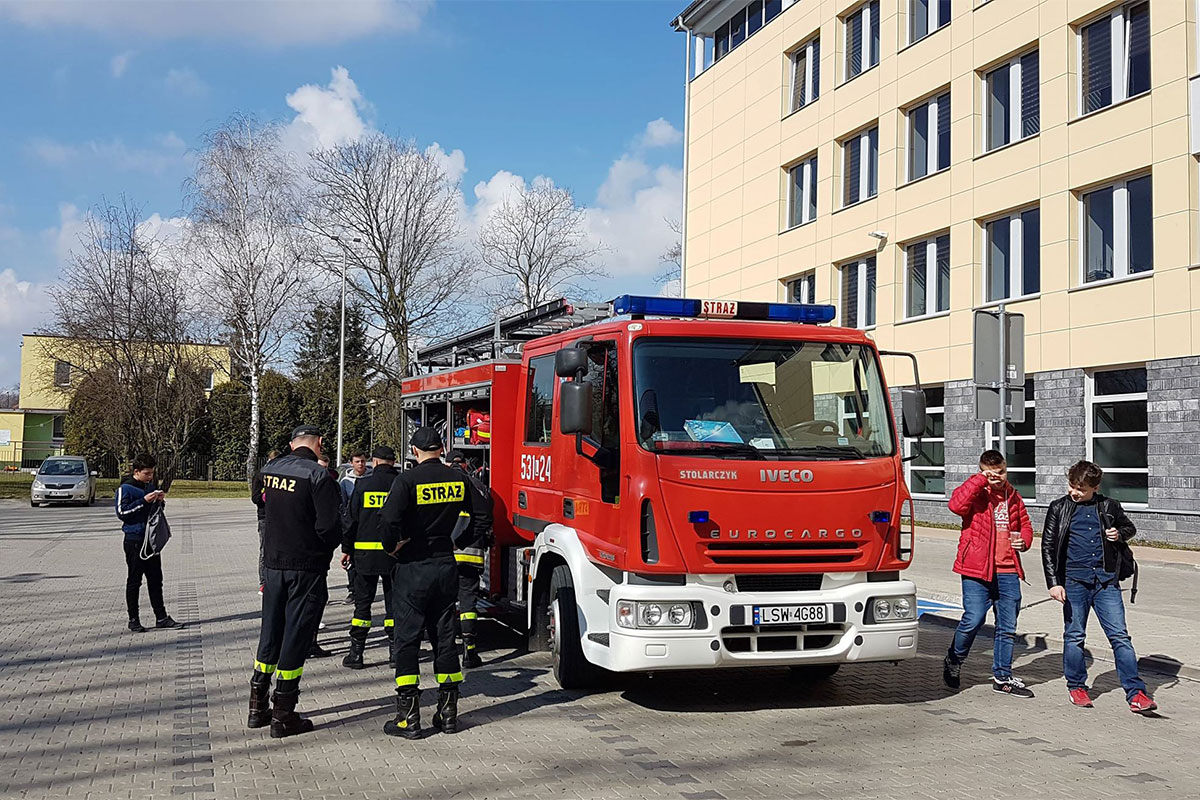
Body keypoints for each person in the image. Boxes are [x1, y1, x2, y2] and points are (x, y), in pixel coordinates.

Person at [380, 427, 487, 739]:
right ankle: (448, 713)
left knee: (407, 640)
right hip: (444, 565)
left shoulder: (407, 480)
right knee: (444, 637)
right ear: (441, 449)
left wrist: (392, 547)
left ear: (414, 451)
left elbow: (388, 522)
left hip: (413, 566)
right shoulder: (458, 478)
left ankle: (408, 717)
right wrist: (459, 541)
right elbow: (482, 516)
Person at [248, 425, 342, 738]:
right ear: (319, 443)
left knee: (270, 632)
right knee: (297, 637)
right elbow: (329, 527)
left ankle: (257, 705)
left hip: (273, 565)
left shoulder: (269, 469)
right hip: (306, 568)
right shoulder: (318, 476)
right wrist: (321, 549)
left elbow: (257, 500)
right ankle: (284, 714)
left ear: (291, 444)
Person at [1042, 460, 1158, 714]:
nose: (1074, 492)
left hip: (1106, 582)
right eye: (1072, 486)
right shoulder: (1058, 507)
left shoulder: (1108, 506)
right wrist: (1054, 583)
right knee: (1074, 636)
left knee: (1120, 637)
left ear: (1095, 487)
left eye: (1081, 489)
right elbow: (1048, 548)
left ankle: (1136, 693)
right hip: (1073, 581)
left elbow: (1129, 527)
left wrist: (1119, 533)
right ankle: (1076, 686)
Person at [942, 449, 1035, 698]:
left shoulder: (1013, 496)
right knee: (974, 618)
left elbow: (1025, 524)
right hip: (975, 569)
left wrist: (1024, 540)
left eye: (1002, 471)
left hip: (1007, 570)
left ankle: (1002, 677)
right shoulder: (976, 492)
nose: (998, 477)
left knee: (1007, 626)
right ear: (982, 470)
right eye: (992, 473)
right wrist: (980, 480)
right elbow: (955, 505)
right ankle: (954, 658)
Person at [341, 445, 400, 670]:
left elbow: (350, 521)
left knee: (362, 607)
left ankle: (356, 653)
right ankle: (396, 653)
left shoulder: (363, 485)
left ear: (374, 462)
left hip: (364, 556)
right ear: (393, 462)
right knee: (394, 606)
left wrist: (346, 549)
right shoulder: (400, 485)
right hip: (394, 556)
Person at [116, 453, 180, 632]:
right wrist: (143, 501)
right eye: (147, 473)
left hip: (151, 540)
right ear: (136, 472)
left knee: (156, 580)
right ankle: (133, 619)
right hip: (134, 540)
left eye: (152, 473)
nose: (150, 477)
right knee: (135, 581)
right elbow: (122, 513)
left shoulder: (149, 486)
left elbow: (154, 512)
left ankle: (161, 617)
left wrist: (159, 502)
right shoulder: (126, 488)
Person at [448, 450, 494, 669]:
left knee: (446, 602)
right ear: (465, 465)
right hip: (471, 554)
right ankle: (470, 651)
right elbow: (486, 519)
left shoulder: (442, 486)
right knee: (468, 603)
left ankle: (448, 647)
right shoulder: (479, 487)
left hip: (446, 556)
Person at [339, 451, 371, 605]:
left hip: (369, 524)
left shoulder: (371, 479)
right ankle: (352, 590)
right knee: (351, 559)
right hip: (353, 525)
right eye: (357, 461)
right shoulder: (346, 482)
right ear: (351, 463)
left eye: (363, 461)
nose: (361, 464)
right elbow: (343, 504)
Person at [251, 450, 281, 595]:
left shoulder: (283, 476)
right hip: (264, 517)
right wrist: (266, 495)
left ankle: (277, 580)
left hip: (280, 517)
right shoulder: (260, 475)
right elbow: (255, 498)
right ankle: (263, 582)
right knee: (265, 550)